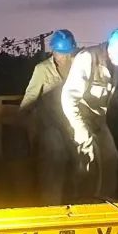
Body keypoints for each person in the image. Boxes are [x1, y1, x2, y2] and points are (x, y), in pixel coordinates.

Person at [60, 27, 118, 200]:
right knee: (88, 162)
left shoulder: (117, 65)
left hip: (98, 120)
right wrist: (80, 130)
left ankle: (106, 202)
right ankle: (82, 203)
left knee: (111, 158)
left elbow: (110, 94)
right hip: (78, 119)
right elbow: (68, 98)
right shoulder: (87, 58)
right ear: (112, 51)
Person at [20, 29, 78, 205]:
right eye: (60, 52)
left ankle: (80, 204)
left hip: (73, 123)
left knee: (83, 162)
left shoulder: (79, 67)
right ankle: (52, 206)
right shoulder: (42, 69)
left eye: (67, 53)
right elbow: (30, 97)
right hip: (50, 125)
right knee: (54, 154)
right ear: (53, 50)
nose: (63, 57)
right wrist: (22, 119)